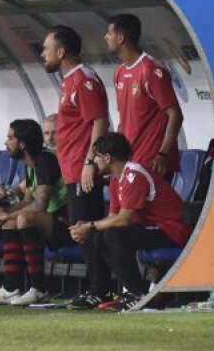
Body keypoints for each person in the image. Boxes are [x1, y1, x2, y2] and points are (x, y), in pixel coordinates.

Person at [68, 133, 192, 310]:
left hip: (171, 229)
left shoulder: (133, 174)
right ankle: (129, 292)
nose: (94, 161)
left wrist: (90, 225)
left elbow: (124, 220)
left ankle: (138, 293)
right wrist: (87, 228)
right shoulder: (115, 180)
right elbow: (112, 218)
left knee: (112, 235)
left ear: (107, 158)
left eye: (96, 156)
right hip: (151, 228)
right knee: (99, 235)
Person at [0, 119, 69, 306]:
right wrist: (2, 210)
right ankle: (10, 288)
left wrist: (8, 214)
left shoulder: (45, 160)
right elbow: (26, 201)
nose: (6, 143)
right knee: (11, 221)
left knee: (23, 218)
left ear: (23, 143)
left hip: (65, 225)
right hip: (46, 222)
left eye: (11, 138)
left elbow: (40, 205)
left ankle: (39, 289)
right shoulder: (31, 162)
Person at [46, 25, 110, 238]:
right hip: (73, 171)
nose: (42, 53)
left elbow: (100, 123)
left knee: (88, 239)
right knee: (82, 238)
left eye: (47, 49)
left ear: (61, 52)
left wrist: (89, 162)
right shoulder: (69, 81)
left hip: (83, 173)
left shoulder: (83, 80)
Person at [105, 14, 182, 177]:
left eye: (109, 33)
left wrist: (163, 154)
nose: (105, 37)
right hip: (130, 161)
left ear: (120, 38)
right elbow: (123, 120)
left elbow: (175, 114)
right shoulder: (119, 72)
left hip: (152, 162)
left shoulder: (151, 69)